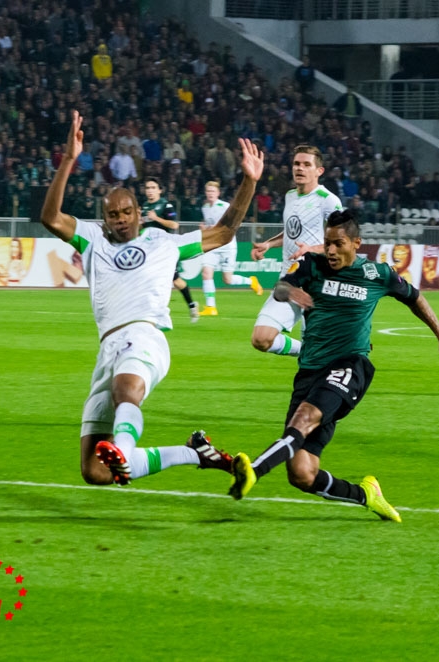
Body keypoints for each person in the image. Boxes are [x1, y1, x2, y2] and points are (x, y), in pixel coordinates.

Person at [40, 110, 264, 487]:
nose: (120, 219)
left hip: (144, 336)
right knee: (95, 471)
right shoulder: (91, 239)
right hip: (108, 347)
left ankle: (124, 448)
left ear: (139, 213)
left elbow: (224, 232)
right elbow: (50, 217)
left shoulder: (165, 243)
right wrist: (68, 160)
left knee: (126, 390)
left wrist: (249, 181)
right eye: (113, 214)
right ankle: (195, 453)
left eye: (127, 212)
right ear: (105, 218)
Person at [227, 210, 439, 522]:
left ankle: (255, 470)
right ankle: (366, 495)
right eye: (327, 243)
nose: (331, 250)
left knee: (306, 417)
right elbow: (281, 288)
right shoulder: (311, 265)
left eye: (338, 244)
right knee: (301, 474)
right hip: (310, 370)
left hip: (350, 365)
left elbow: (415, 298)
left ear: (356, 243)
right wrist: (292, 291)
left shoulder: (377, 274)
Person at [250, 144, 342, 356]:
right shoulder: (290, 196)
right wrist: (268, 244)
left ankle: (316, 354)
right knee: (261, 339)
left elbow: (343, 241)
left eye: (307, 164)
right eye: (296, 164)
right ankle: (306, 351)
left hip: (317, 283)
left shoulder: (328, 200)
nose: (300, 168)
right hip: (288, 282)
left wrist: (312, 248)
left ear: (319, 171)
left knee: (317, 361)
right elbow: (291, 232)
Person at [198, 180, 263, 316]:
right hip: (213, 245)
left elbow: (235, 222)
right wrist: (205, 229)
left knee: (227, 280)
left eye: (213, 191)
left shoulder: (225, 206)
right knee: (206, 273)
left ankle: (251, 281)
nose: (210, 193)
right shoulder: (205, 207)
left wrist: (217, 229)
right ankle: (211, 307)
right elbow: (210, 225)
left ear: (218, 193)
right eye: (208, 191)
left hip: (227, 245)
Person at [140, 176, 200, 322]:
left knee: (176, 281)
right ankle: (151, 311)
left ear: (160, 190)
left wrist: (156, 218)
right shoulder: (144, 207)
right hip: (149, 250)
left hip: (165, 250)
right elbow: (142, 229)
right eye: (147, 188)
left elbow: (174, 225)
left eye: (153, 188)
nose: (150, 191)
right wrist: (138, 222)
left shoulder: (165, 205)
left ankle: (192, 305)